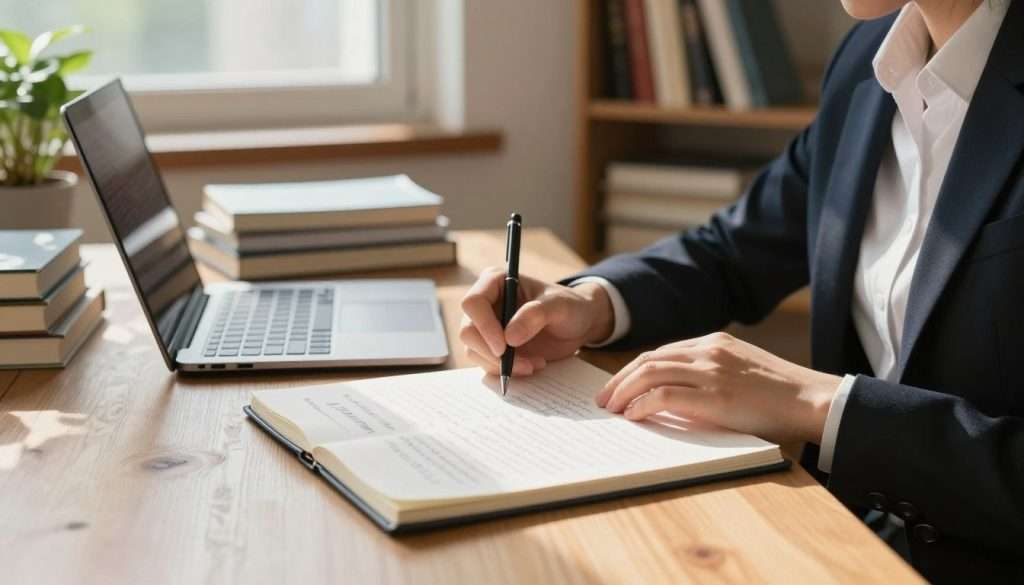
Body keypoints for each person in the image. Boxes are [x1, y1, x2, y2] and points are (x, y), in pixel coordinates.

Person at [459, 0, 1023, 582]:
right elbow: (734, 250)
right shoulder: (869, 61)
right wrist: (591, 303)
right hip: (847, 541)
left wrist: (818, 404)